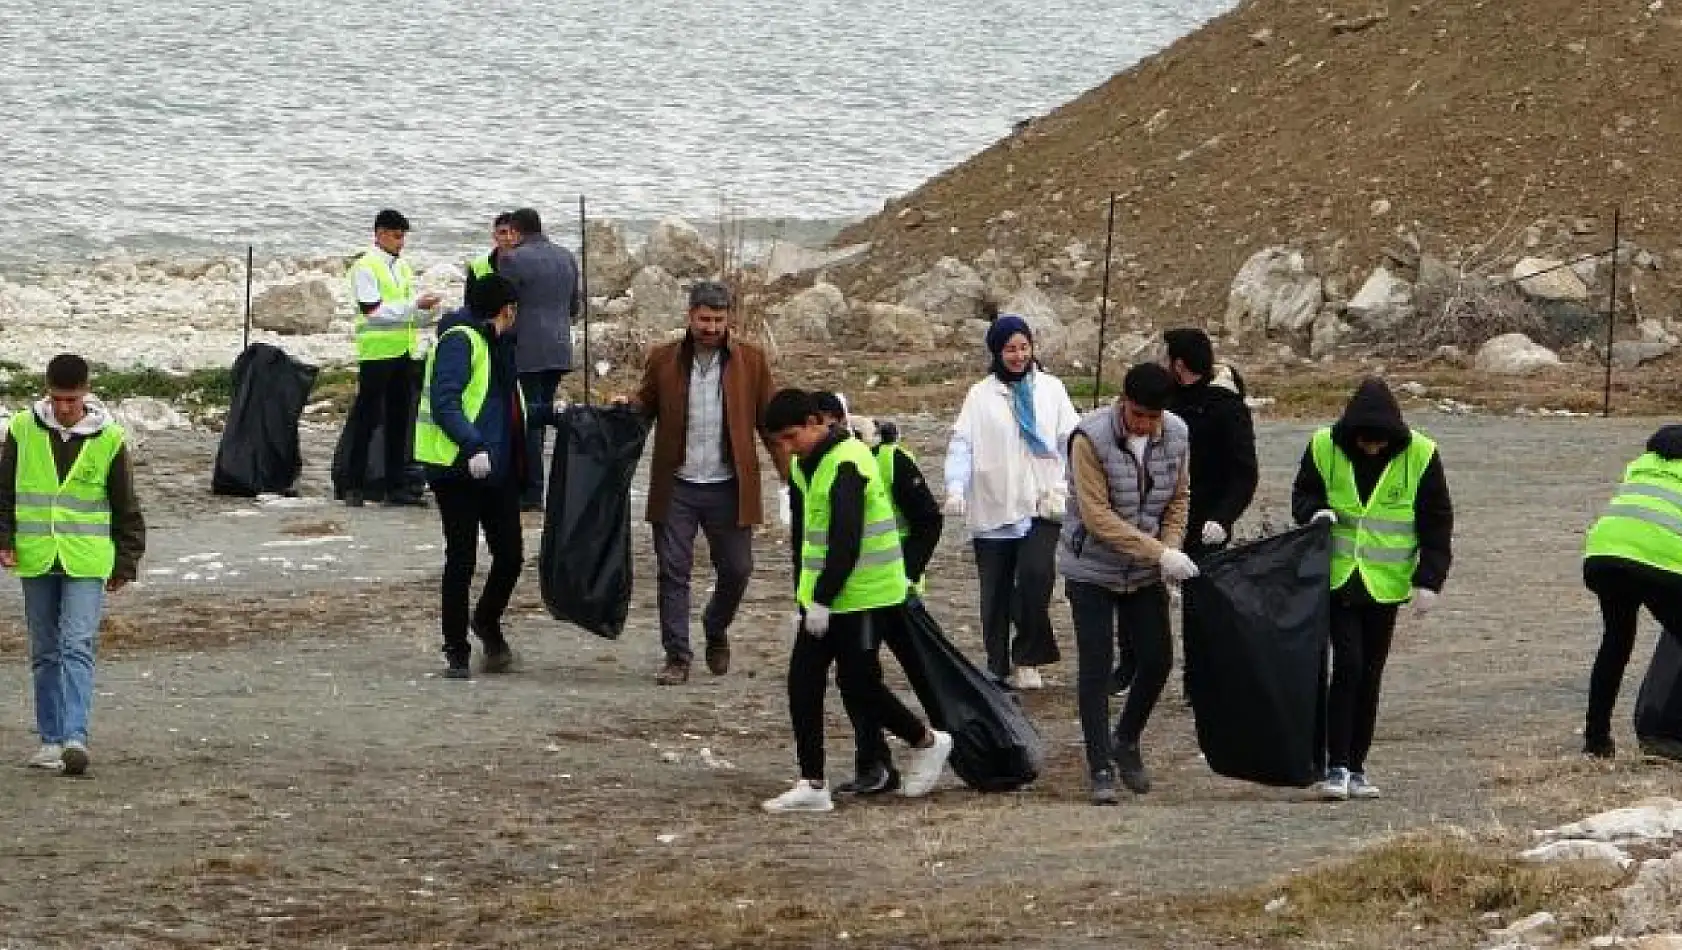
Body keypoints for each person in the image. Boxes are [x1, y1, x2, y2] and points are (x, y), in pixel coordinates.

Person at [762, 388, 952, 813]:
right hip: (825, 596)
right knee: (802, 683)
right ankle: (813, 783)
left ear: (817, 422)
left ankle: (928, 740)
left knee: (860, 686)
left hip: (867, 594)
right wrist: (805, 600)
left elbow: (846, 542)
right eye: (780, 443)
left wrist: (822, 600)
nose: (788, 449)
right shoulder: (804, 468)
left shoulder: (848, 462)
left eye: (792, 437)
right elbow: (804, 543)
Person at [1291, 377, 1453, 801]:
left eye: (1380, 442)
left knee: (1370, 673)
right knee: (1348, 665)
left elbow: (1436, 523)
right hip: (1338, 577)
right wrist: (1316, 512)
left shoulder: (1421, 454)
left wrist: (1429, 579)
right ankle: (1336, 765)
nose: (1372, 448)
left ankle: (1357, 766)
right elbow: (1302, 496)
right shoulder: (1324, 445)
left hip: (1386, 584)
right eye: (1365, 441)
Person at [622, 281, 782, 685]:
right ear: (689, 316)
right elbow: (646, 405)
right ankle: (677, 656)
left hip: (730, 485)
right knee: (672, 571)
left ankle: (715, 625)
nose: (711, 327)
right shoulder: (663, 359)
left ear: (730, 319)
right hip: (676, 484)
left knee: (738, 568)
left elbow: (770, 424)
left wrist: (793, 475)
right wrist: (627, 408)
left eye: (718, 319)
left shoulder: (752, 361)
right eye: (703, 319)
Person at [0, 354, 146, 776]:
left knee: (77, 644)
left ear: (85, 393)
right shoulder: (22, 430)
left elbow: (125, 505)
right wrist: (4, 539)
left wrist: (126, 560)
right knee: (45, 650)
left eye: (72, 399)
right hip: (36, 555)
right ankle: (49, 741)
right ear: (47, 392)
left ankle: (74, 738)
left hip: (87, 558)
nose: (65, 407)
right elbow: (3, 492)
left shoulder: (109, 438)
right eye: (58, 398)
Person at [1058, 363, 1193, 804]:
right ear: (1123, 402)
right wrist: (1160, 553)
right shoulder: (1088, 438)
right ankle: (1099, 765)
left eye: (1154, 417)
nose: (1146, 425)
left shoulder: (1176, 434)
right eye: (1138, 415)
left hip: (1144, 571)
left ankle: (1126, 739)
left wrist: (1169, 551)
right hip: (1091, 569)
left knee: (1157, 660)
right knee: (1097, 666)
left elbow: (1178, 498)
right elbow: (1096, 517)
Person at [414, 275, 550, 679]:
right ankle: (456, 648)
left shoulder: (498, 345)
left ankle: (486, 620)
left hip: (498, 470)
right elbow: (445, 401)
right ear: (506, 308)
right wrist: (473, 446)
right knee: (461, 559)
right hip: (457, 469)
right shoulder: (461, 340)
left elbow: (509, 408)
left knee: (509, 556)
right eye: (515, 309)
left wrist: (558, 414)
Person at [811, 392, 945, 795]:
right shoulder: (818, 463)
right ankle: (874, 763)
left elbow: (928, 520)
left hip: (891, 593)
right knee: (859, 677)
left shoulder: (888, 460)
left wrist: (907, 573)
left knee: (914, 677)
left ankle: (948, 744)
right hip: (852, 593)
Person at [943, 314, 1080, 689]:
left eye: (1024, 348)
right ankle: (997, 665)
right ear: (996, 352)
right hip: (993, 505)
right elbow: (963, 444)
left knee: (1037, 577)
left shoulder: (1051, 389)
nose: (1018, 356)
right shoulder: (980, 395)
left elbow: (1072, 437)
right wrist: (956, 486)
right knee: (996, 592)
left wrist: (1078, 479)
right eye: (1010, 349)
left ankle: (1028, 656)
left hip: (1043, 501)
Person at [1579, 425, 1682, 758]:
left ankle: (1597, 741)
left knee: (1616, 642)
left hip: (1603, 556)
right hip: (1657, 560)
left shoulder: (1639, 466)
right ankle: (1670, 734)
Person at [344, 209, 440, 509]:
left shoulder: (403, 268)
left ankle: (396, 485)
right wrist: (414, 306)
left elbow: (404, 310)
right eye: (397, 236)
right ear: (380, 234)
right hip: (376, 353)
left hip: (404, 351)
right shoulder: (366, 266)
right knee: (367, 419)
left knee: (401, 420)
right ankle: (354, 485)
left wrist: (427, 312)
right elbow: (373, 311)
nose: (401, 243)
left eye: (403, 237)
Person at [497, 207, 582, 511]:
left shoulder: (512, 260)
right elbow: (575, 307)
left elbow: (503, 307)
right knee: (541, 414)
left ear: (517, 231)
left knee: (527, 417)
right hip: (559, 348)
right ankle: (541, 485)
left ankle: (531, 491)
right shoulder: (566, 257)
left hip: (526, 349)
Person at [463, 212, 518, 295]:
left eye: (513, 233)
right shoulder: (477, 266)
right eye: (503, 232)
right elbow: (469, 305)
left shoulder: (530, 266)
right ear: (494, 236)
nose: (508, 238)